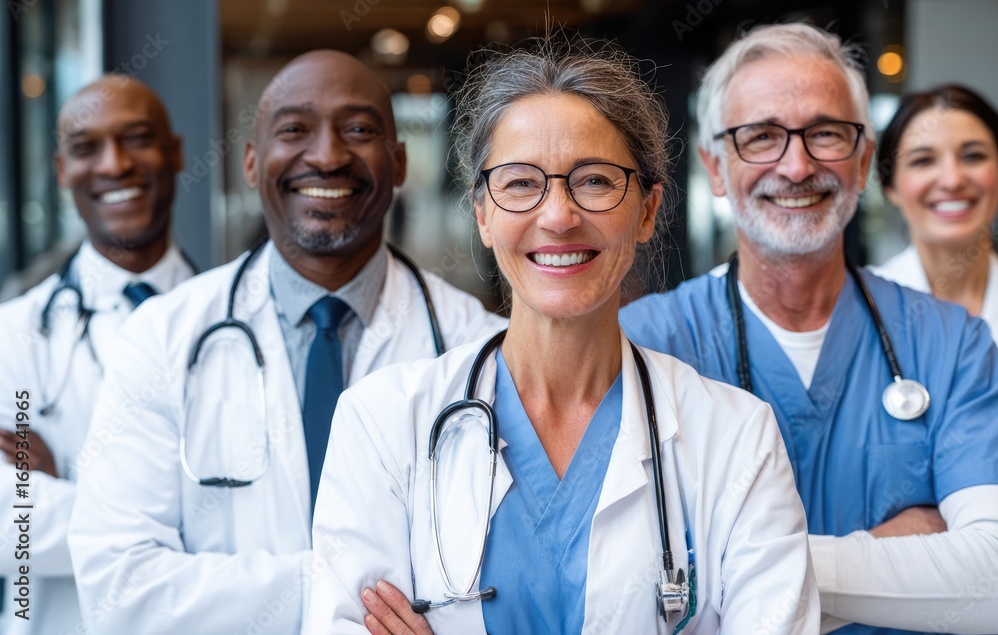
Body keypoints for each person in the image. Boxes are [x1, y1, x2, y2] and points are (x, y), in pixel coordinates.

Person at [308, 36, 819, 635]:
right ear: (483, 213)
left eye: (595, 181)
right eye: (521, 183)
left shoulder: (737, 439)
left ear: (647, 210)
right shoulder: (382, 423)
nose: (558, 216)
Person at [67, 50, 506, 634]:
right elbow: (118, 590)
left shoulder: (480, 349)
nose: (326, 156)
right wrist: (337, 586)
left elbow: (496, 582)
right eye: (295, 129)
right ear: (252, 163)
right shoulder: (161, 337)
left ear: (398, 162)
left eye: (359, 130)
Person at [620, 23, 998, 634]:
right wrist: (911, 551)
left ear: (863, 161)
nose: (796, 166)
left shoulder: (951, 342)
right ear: (715, 167)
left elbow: (991, 582)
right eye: (761, 137)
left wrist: (734, 562)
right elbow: (626, 582)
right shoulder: (643, 344)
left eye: (825, 133)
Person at [0, 75, 196, 635]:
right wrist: (187, 519)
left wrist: (66, 497)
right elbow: (8, 526)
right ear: (62, 170)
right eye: (87, 148)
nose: (114, 164)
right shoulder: (13, 335)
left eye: (136, 139)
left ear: (175, 153)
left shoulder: (234, 324)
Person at [870, 84, 998, 346]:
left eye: (973, 156)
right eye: (923, 160)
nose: (952, 180)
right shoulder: (862, 306)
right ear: (890, 187)